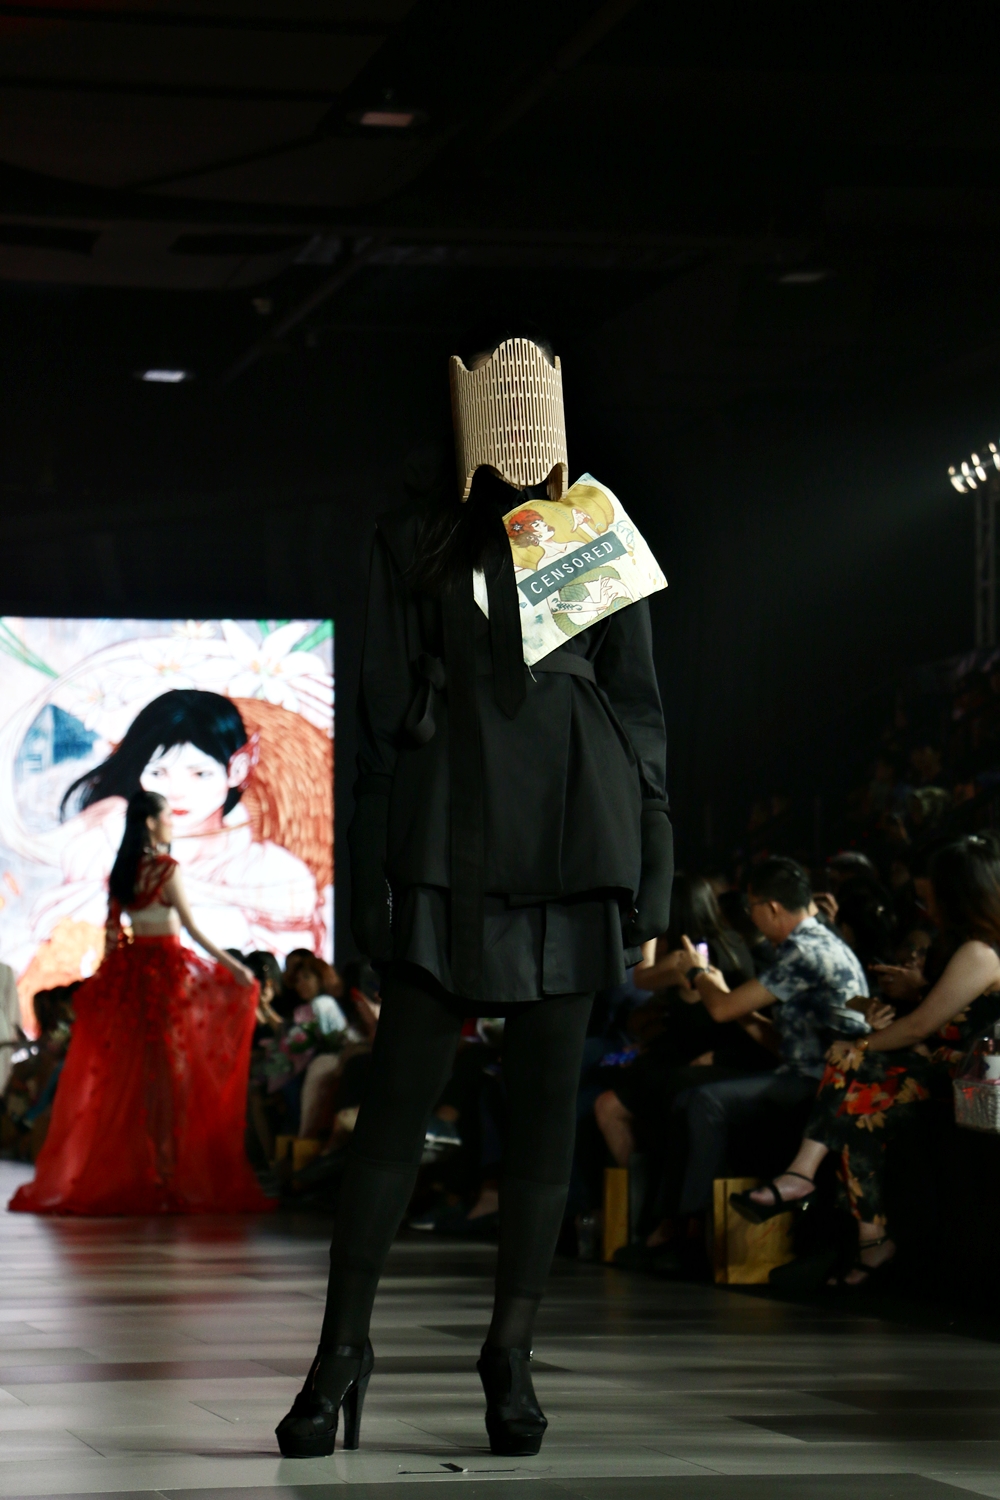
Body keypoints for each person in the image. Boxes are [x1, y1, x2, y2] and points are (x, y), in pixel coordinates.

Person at [275, 335, 672, 1460]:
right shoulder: (413, 538)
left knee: (544, 1116)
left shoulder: (594, 527)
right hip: (449, 835)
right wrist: (370, 885)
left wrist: (651, 867)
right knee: (396, 1108)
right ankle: (339, 1351)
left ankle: (511, 1353)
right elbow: (378, 718)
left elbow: (642, 711)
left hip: (577, 833)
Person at [731, 834, 1000, 1285]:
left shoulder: (980, 952)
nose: (925, 903)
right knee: (859, 1111)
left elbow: (920, 1027)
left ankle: (804, 1176)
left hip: (967, 1077)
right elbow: (925, 1017)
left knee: (853, 1060)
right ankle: (867, 1237)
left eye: (931, 893)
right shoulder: (963, 946)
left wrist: (863, 1044)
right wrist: (893, 1001)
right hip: (937, 1065)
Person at [10, 789, 273, 1215]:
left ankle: (149, 1173)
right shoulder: (166, 868)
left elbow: (113, 938)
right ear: (151, 821)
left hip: (132, 982)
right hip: (166, 979)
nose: (172, 822)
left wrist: (106, 985)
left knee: (138, 1085)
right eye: (167, 815)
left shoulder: (124, 872)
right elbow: (191, 928)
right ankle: (167, 1175)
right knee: (173, 1082)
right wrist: (234, 968)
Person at [671, 856, 873, 1226]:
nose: (751, 916)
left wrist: (697, 973)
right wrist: (730, 999)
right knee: (684, 1098)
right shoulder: (817, 941)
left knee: (705, 1101)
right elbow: (777, 1037)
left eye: (752, 907)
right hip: (806, 1071)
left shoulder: (805, 951)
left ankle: (691, 1225)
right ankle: (688, 1222)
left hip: (824, 1083)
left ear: (773, 908)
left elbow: (721, 1009)